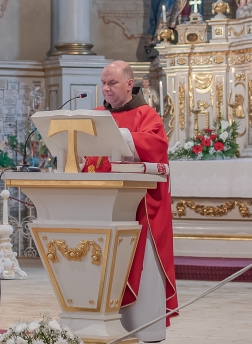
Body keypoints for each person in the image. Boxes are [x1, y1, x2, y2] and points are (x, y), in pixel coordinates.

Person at [82, 61, 176, 343]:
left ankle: (145, 329)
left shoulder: (146, 115)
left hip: (139, 209)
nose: (106, 89)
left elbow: (157, 149)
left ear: (129, 83)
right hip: (102, 208)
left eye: (112, 83)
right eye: (103, 83)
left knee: (141, 268)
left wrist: (122, 136)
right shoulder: (97, 115)